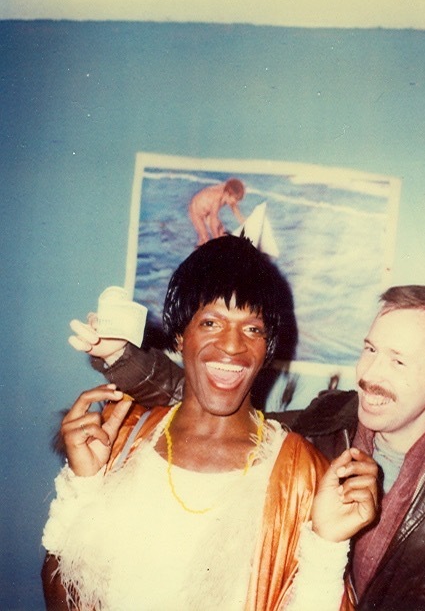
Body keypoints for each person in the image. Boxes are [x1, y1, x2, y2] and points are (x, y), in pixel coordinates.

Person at [70, 284, 425, 610]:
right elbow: (206, 397)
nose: (371, 376)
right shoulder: (321, 430)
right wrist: (120, 358)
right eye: (369, 350)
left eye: (398, 362)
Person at [42, 235, 378, 611]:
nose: (233, 346)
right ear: (180, 335)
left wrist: (327, 545)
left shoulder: (302, 473)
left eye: (252, 329)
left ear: (267, 348)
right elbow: (63, 590)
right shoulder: (122, 439)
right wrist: (84, 485)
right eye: (212, 323)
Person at [188, 178, 245, 246]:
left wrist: (245, 224)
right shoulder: (217, 199)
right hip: (196, 211)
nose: (236, 202)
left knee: (221, 231)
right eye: (235, 200)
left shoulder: (229, 192)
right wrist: (217, 241)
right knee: (204, 237)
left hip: (208, 211)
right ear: (227, 194)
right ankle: (198, 254)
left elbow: (237, 213)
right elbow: (213, 222)